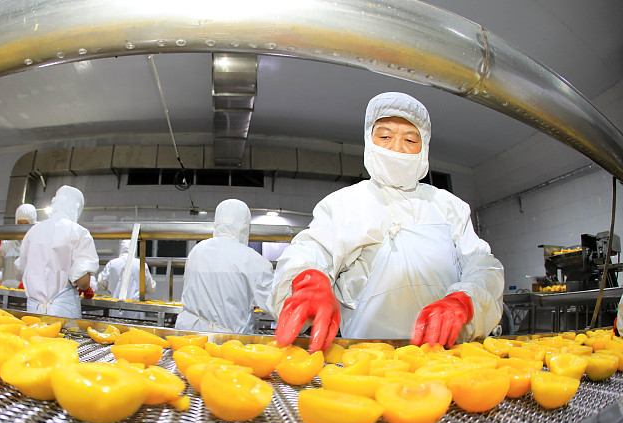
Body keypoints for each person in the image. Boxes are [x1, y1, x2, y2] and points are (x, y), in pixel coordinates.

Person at [266, 92, 504, 352]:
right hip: (367, 363)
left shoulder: (449, 207)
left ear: (424, 147)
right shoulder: (345, 204)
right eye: (385, 137)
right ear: (369, 140)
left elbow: (482, 265)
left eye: (410, 139)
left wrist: (464, 300)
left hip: (443, 360)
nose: (397, 149)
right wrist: (309, 281)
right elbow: (311, 249)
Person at [175, 199, 274, 334]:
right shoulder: (253, 260)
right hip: (226, 342)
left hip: (187, 335)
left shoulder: (197, 250)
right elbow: (275, 305)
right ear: (245, 225)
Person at [15, 185, 98, 318]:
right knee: (59, 339)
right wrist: (85, 288)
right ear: (76, 208)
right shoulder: (78, 232)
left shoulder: (33, 231)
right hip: (63, 312)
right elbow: (82, 280)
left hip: (33, 311)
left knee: (34, 339)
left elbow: (22, 268)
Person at [97, 239, 157, 319]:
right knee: (134, 330)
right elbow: (150, 288)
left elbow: (101, 285)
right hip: (135, 309)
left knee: (115, 329)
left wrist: (112, 285)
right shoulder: (141, 264)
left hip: (115, 308)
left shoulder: (112, 264)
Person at [0, 203, 37, 287]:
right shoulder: (8, 243)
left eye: (26, 223)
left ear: (32, 223)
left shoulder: (38, 243)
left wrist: (29, 284)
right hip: (7, 292)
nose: (22, 227)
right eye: (20, 223)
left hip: (30, 293)